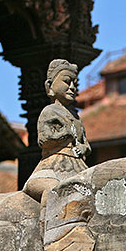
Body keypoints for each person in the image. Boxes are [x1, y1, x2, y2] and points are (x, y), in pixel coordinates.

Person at [23, 59, 90, 204]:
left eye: (75, 84)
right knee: (53, 190)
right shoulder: (50, 111)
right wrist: (66, 135)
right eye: (67, 82)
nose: (72, 87)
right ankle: (47, 223)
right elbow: (44, 139)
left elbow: (86, 144)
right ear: (49, 86)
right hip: (53, 165)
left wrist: (83, 148)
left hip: (77, 166)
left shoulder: (76, 116)